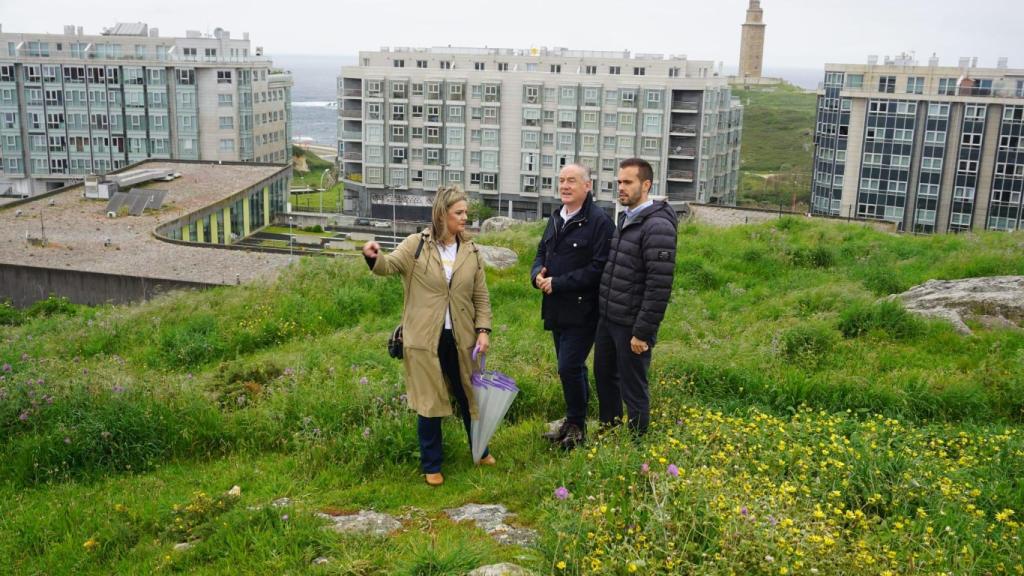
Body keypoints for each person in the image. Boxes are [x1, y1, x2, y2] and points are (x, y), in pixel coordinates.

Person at [362, 186, 494, 486]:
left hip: (463, 339)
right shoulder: (415, 245)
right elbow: (389, 266)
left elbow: (481, 297)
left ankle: (480, 451)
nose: (465, 217)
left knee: (470, 396)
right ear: (441, 214)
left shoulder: (471, 251)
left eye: (465, 212)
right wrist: (373, 257)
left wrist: (483, 330)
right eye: (458, 213)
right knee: (429, 402)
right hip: (425, 340)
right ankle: (431, 464)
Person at [531, 164, 613, 450]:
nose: (565, 186)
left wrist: (559, 282)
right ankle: (575, 422)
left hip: (583, 310)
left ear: (587, 186)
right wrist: (537, 274)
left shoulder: (599, 221)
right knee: (570, 368)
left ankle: (576, 426)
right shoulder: (556, 217)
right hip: (556, 308)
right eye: (561, 180)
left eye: (572, 181)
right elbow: (542, 251)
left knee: (569, 366)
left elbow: (599, 268)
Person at [594, 158, 678, 436]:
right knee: (605, 377)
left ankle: (637, 446)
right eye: (618, 182)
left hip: (632, 324)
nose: (620, 187)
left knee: (633, 387)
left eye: (627, 182)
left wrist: (642, 332)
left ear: (646, 185)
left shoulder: (657, 226)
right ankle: (609, 432)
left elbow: (659, 285)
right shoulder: (627, 218)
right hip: (609, 318)